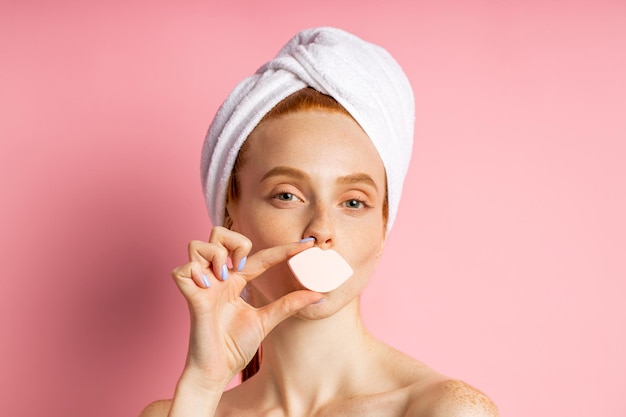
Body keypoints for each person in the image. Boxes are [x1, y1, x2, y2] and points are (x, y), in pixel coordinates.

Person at [140, 27, 498, 417]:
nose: (321, 230)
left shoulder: (444, 409)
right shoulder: (184, 409)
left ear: (382, 230)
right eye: (287, 196)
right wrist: (204, 384)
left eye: (354, 202)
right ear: (232, 220)